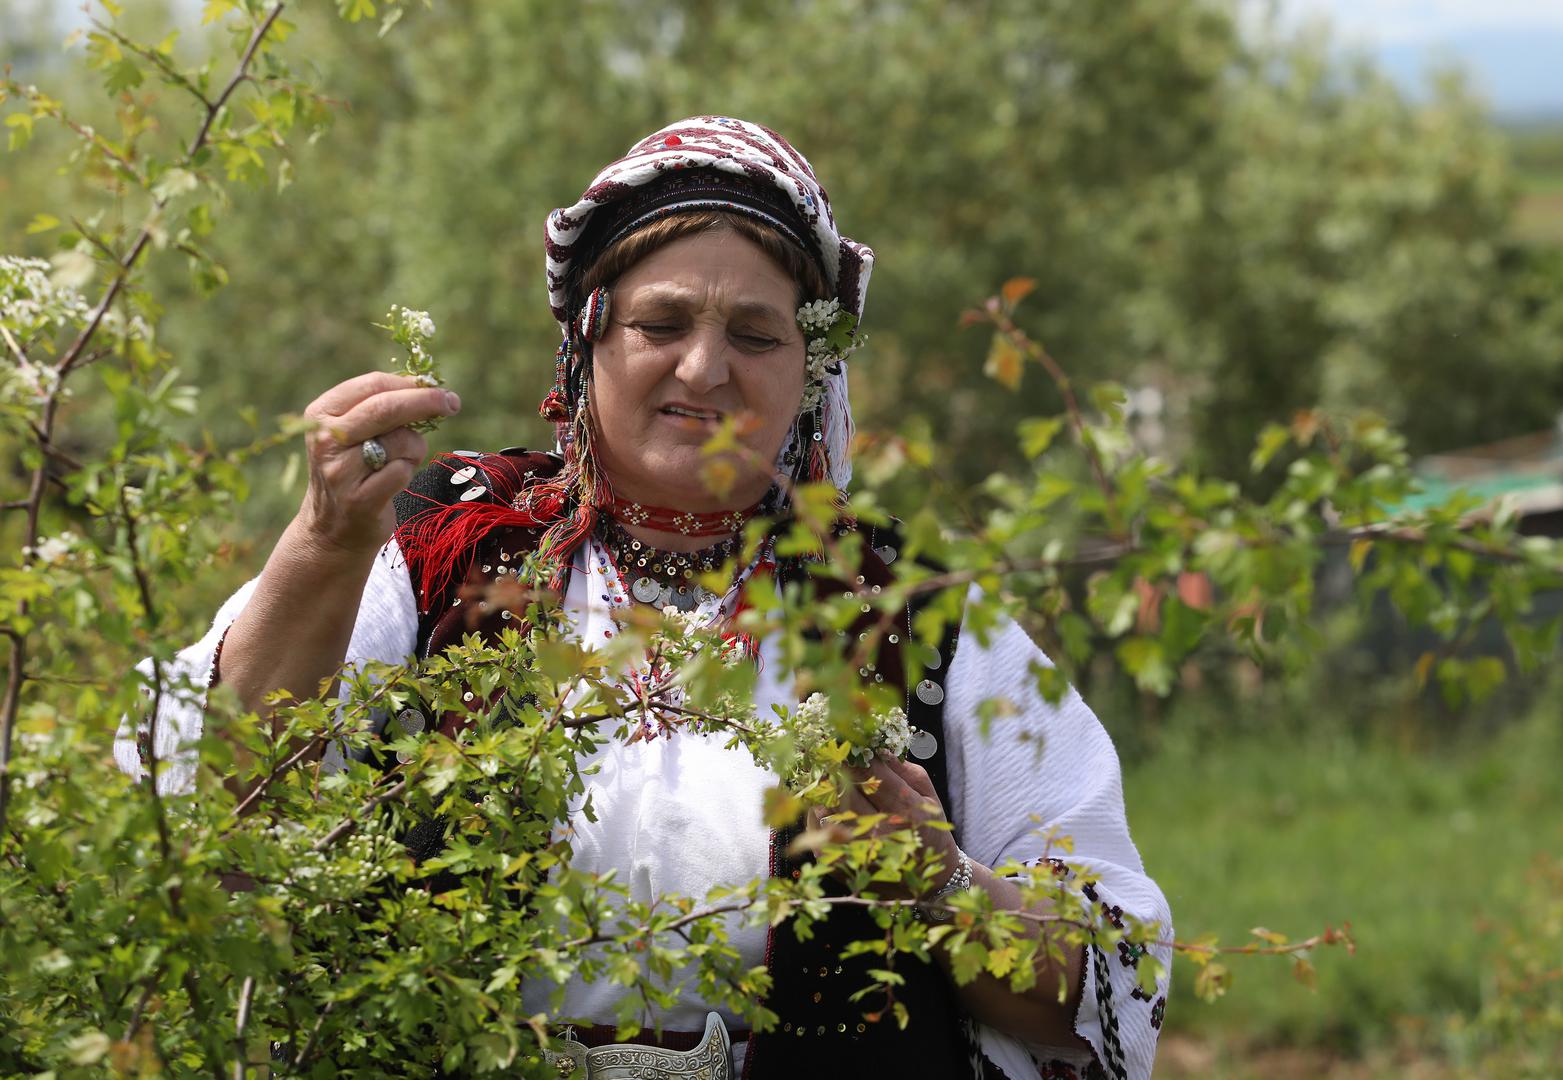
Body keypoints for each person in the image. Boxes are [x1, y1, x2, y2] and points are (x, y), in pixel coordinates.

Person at [116, 117, 1171, 1080]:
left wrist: (939, 883)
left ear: (807, 368)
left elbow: (1100, 986)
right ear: (590, 341)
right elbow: (204, 812)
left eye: (756, 336)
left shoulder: (907, 609)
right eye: (662, 322)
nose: (705, 369)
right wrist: (322, 546)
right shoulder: (446, 543)